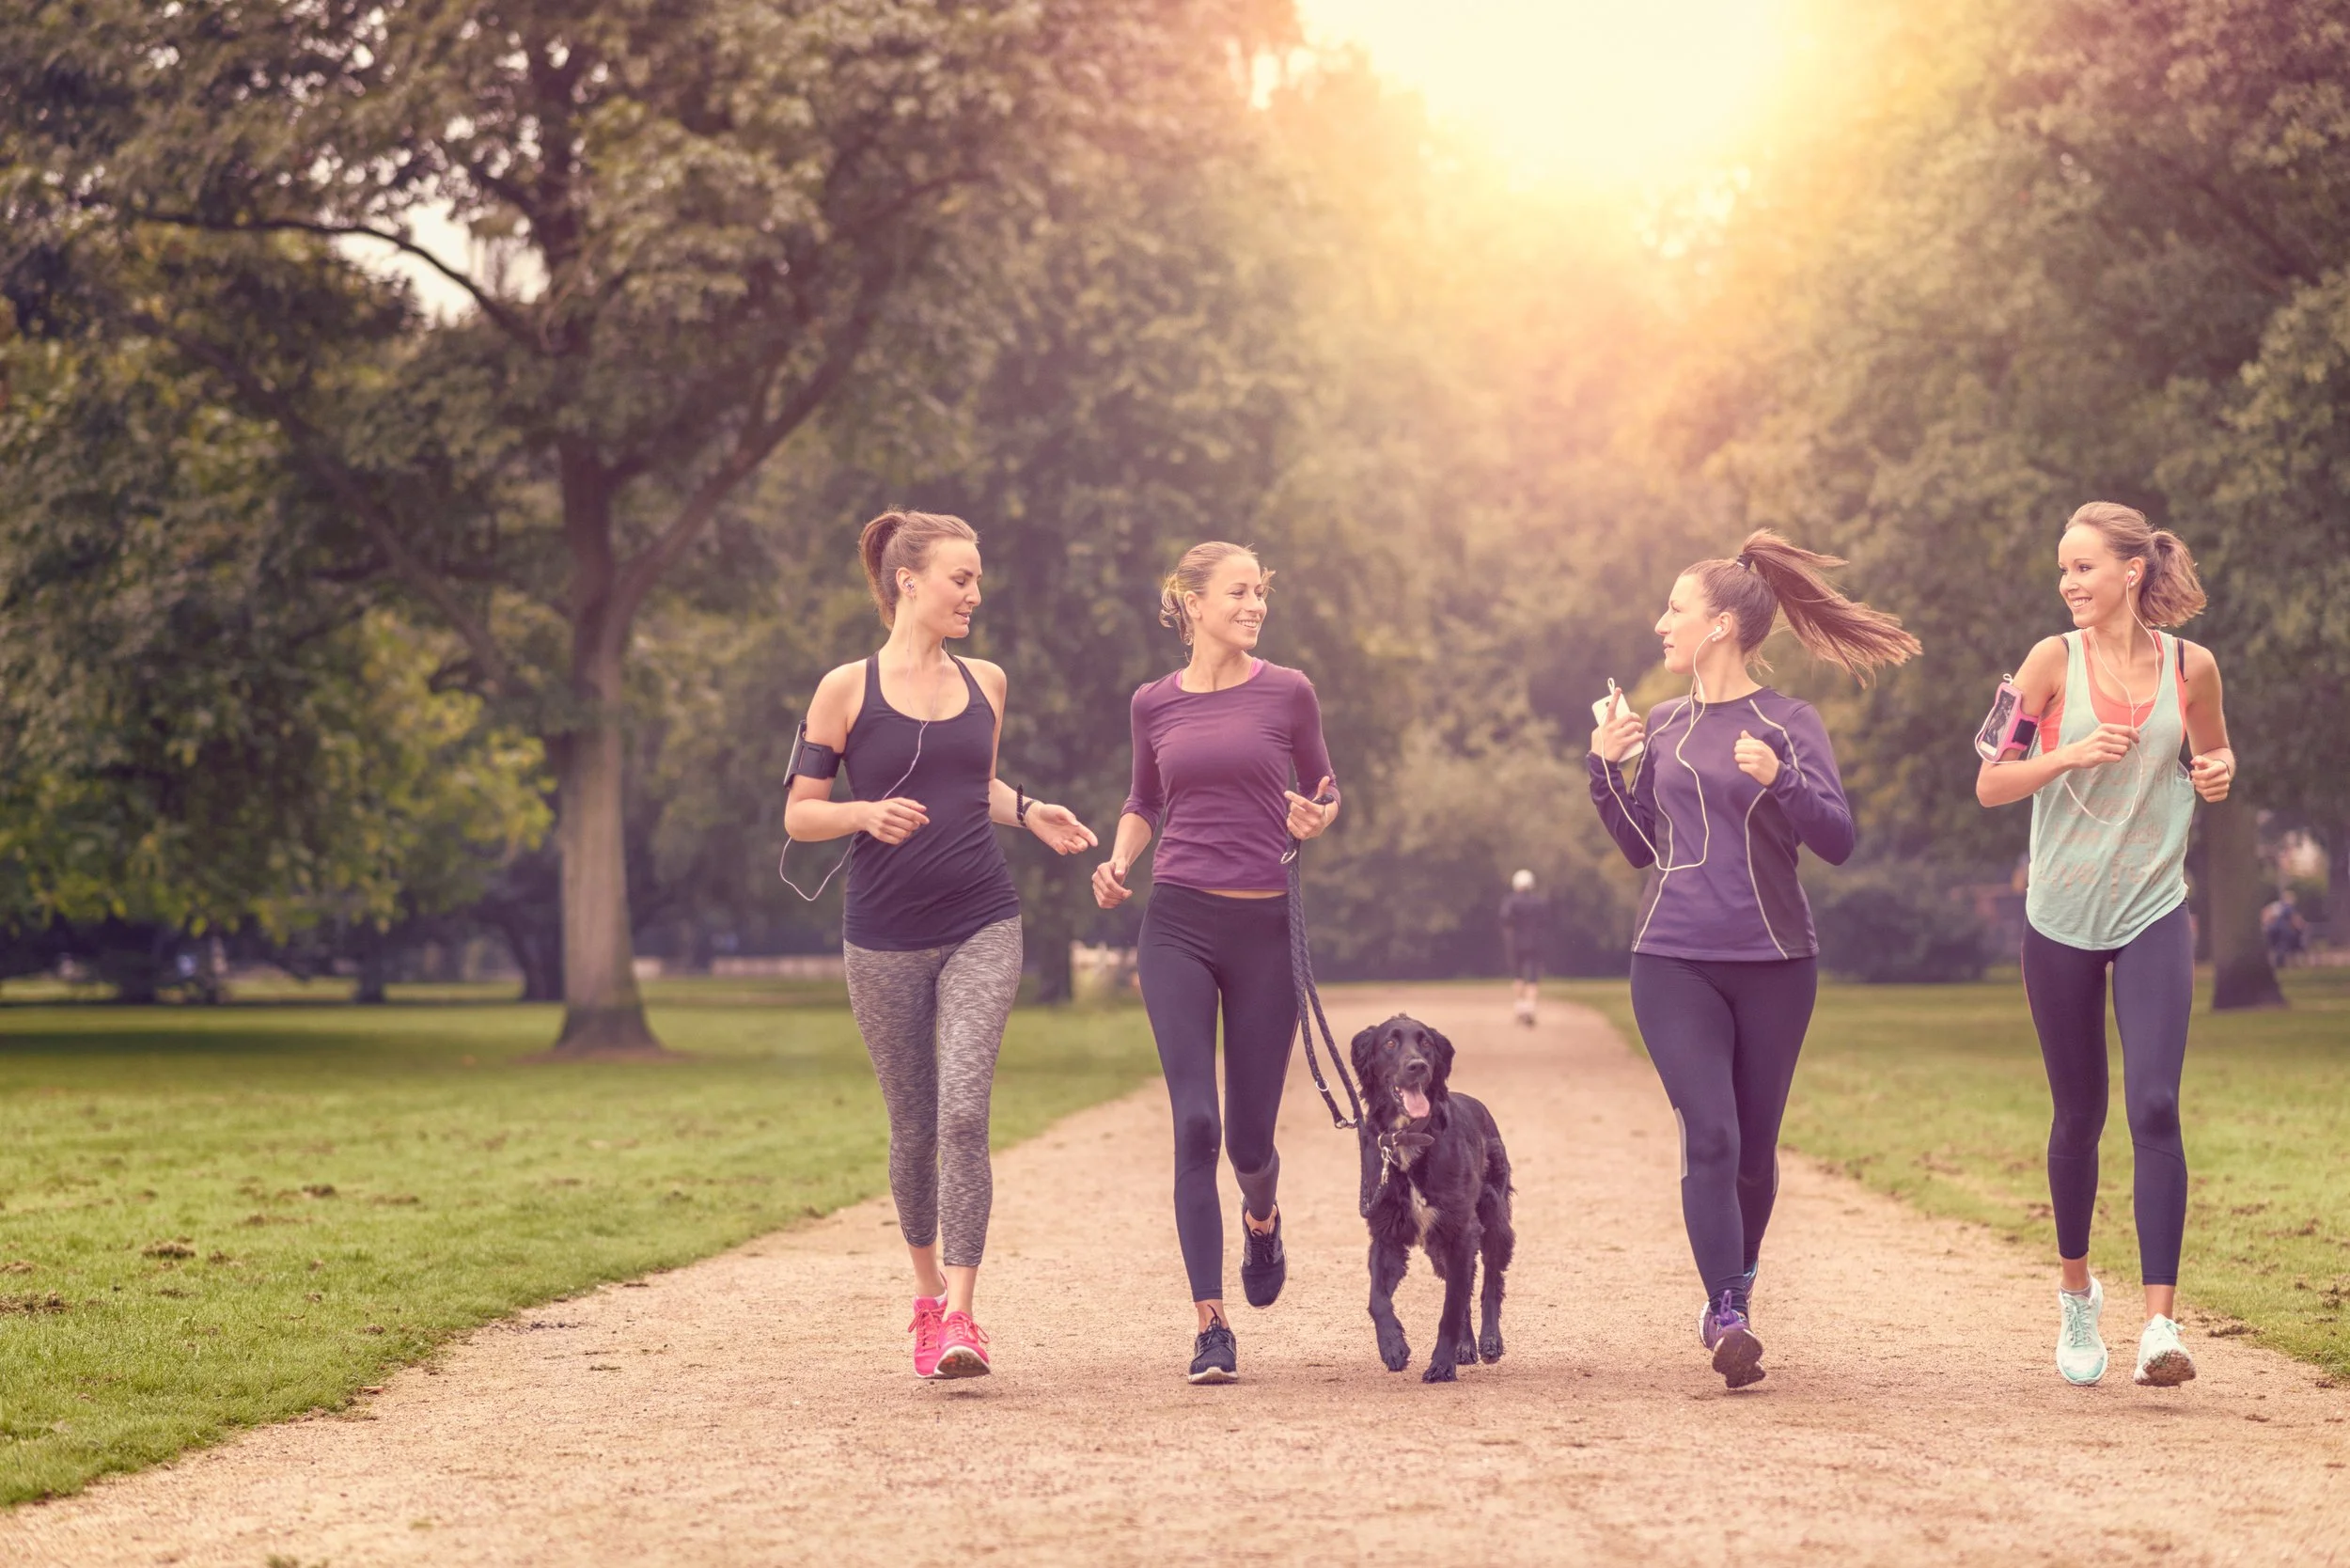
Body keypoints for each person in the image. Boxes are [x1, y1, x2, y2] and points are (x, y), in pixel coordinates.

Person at [1589, 529, 1919, 1388]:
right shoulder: (1661, 723)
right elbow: (1639, 851)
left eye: (1675, 608)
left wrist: (1783, 778)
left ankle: (1734, 1288)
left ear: (1723, 626)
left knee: (1755, 1155)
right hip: (1671, 958)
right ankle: (1726, 1316)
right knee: (1711, 1134)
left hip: (1775, 962)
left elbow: (1838, 841)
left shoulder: (1789, 723)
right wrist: (1603, 770)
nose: (1661, 622)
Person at [783, 510, 1098, 1381]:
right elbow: (800, 814)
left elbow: (972, 783)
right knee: (913, 1125)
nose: (975, 593)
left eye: (978, 577)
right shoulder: (844, 690)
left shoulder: (987, 681)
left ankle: (963, 1315)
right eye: (961, 577)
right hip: (881, 937)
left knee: (963, 1113)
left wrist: (1030, 811)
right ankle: (925, 1299)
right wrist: (862, 812)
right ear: (907, 581)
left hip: (980, 920)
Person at [1977, 501, 2234, 1389]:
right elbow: (1990, 781)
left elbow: (2211, 763)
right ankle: (2077, 1293)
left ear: (2132, 571)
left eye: (2083, 567)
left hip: (2155, 905)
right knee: (2079, 1112)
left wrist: (2218, 771)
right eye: (2063, 570)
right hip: (2061, 916)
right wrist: (2068, 754)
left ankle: (2160, 1327)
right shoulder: (2049, 662)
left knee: (2156, 1104)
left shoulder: (2192, 668)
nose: (2068, 584)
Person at [1091, 541, 1339, 1384]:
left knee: (1250, 1140)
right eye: (1238, 592)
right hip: (1179, 927)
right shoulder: (1153, 704)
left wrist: (1316, 818)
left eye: (1261, 592)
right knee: (1195, 1121)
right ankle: (1210, 1324)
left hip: (1266, 930)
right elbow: (1143, 800)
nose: (1254, 605)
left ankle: (1261, 1218)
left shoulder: (1289, 691)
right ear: (1191, 603)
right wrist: (1122, 861)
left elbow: (1326, 785)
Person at [1499, 870, 1550, 1026]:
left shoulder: (1511, 901)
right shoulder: (1538, 902)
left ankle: (1520, 1009)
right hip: (1535, 944)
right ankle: (1530, 1009)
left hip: (1515, 944)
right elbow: (1545, 922)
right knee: (1533, 979)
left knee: (1518, 977)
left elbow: (1505, 919)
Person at [2262, 890, 2306, 971]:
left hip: (2272, 929)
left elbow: (2266, 914)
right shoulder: (2288, 907)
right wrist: (2301, 927)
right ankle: (2281, 964)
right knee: (2283, 947)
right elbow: (2294, 919)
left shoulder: (2276, 906)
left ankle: (2277, 964)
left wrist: (2266, 925)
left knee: (2274, 948)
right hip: (2283, 931)